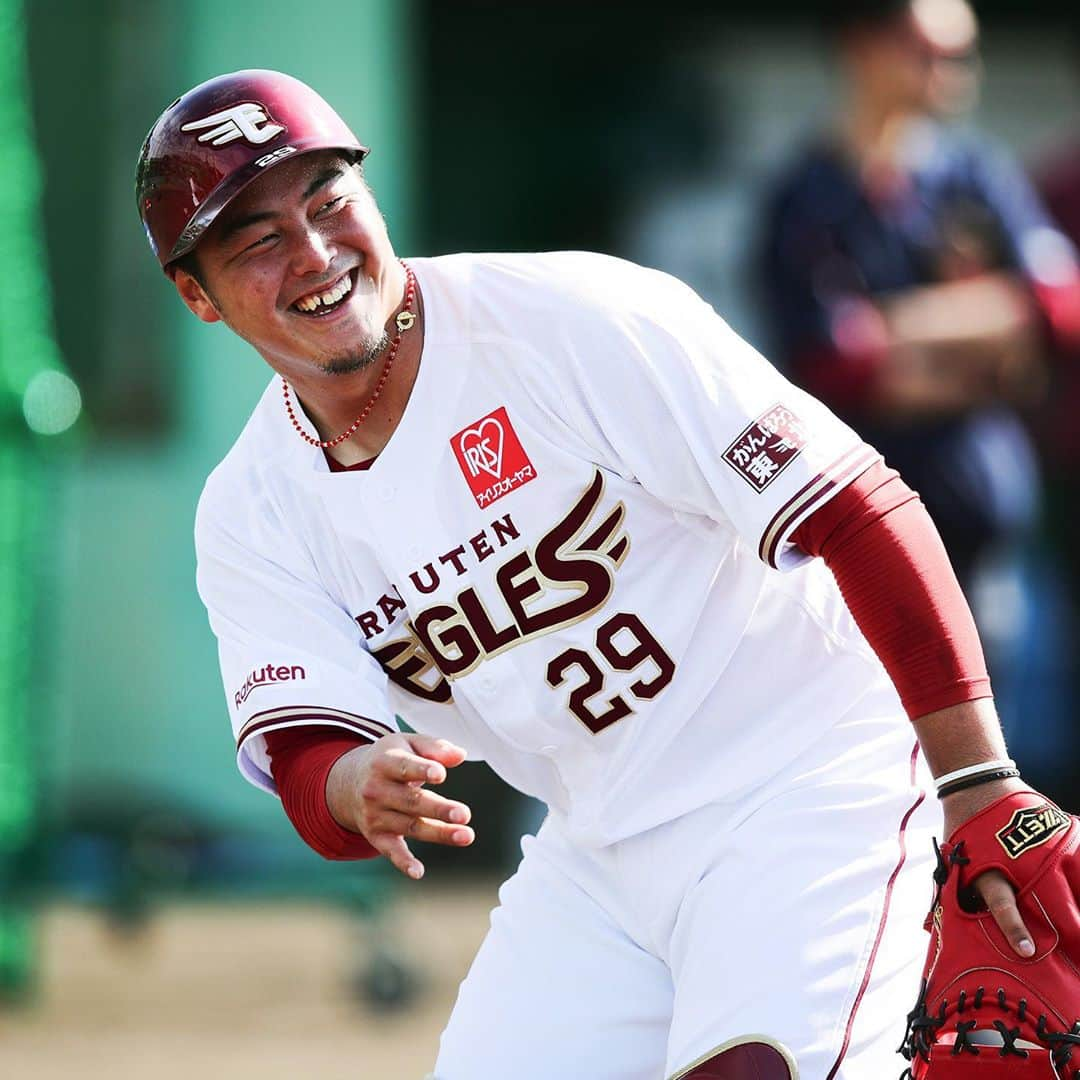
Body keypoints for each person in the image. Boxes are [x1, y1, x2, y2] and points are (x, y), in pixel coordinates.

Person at [136, 70, 1073, 1079]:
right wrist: (353, 782)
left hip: (808, 783)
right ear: (198, 295)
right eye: (259, 240)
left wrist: (976, 780)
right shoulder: (253, 509)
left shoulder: (567, 320)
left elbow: (857, 507)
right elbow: (306, 750)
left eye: (328, 202)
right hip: (596, 852)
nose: (316, 253)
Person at [758, 0, 1080, 595]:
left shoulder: (978, 173)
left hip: (989, 519)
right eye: (933, 53)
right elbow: (834, 363)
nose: (957, 70)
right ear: (863, 46)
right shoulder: (805, 197)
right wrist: (991, 339)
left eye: (963, 54)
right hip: (867, 544)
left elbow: (1059, 310)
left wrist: (894, 330)